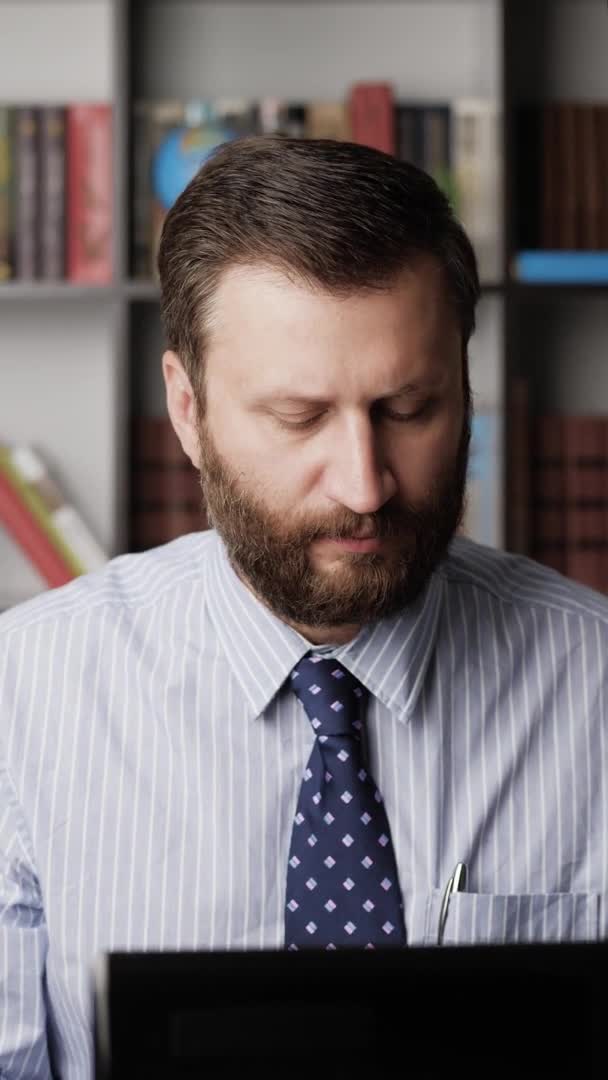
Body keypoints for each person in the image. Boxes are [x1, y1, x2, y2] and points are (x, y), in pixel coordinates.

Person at [1, 134, 607, 1079]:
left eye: (409, 409)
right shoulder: (21, 697)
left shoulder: (598, 683)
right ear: (188, 409)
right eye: (299, 418)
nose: (366, 485)